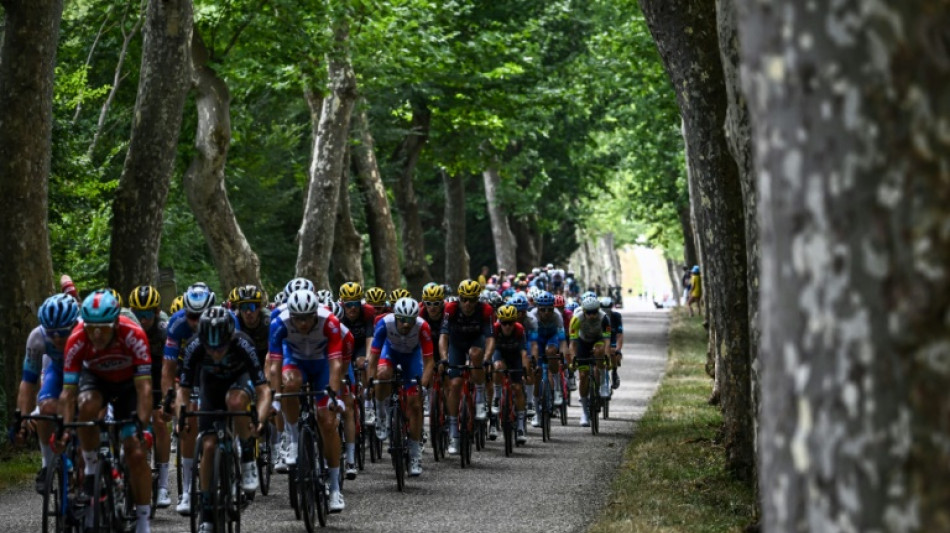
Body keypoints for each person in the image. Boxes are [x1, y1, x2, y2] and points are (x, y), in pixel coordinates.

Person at [58, 290, 154, 533]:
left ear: (115, 324)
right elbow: (68, 394)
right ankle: (91, 468)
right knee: (87, 405)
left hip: (128, 385)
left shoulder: (134, 334)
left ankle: (143, 522)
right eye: (91, 327)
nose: (97, 334)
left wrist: (142, 426)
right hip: (96, 380)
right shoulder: (77, 338)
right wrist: (66, 429)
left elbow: (144, 389)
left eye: (103, 327)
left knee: (136, 453)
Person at [177, 307, 270, 533]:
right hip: (211, 385)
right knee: (208, 445)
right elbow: (184, 389)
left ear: (230, 338)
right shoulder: (194, 347)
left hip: (239, 380)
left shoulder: (243, 344)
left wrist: (259, 417)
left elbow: (264, 390)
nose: (216, 352)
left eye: (221, 347)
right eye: (210, 347)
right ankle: (207, 513)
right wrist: (181, 416)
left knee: (236, 402)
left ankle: (247, 457)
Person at [268, 289, 346, 512]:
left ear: (315, 313)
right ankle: (293, 439)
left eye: (307, 317)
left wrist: (333, 394)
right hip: (296, 361)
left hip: (322, 365)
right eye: (297, 318)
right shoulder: (279, 323)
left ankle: (334, 488)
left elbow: (336, 364)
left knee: (327, 422)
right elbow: (274, 365)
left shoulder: (329, 322)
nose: (302, 323)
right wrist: (275, 398)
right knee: (290, 385)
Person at [13, 294, 79, 494]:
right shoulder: (37, 337)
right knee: (46, 408)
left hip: (85, 370)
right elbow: (28, 382)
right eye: (52, 333)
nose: (57, 337)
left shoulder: (85, 331)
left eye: (63, 332)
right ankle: (47, 465)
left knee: (87, 407)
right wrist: (22, 419)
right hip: (58, 370)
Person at [371, 297, 435, 476]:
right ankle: (381, 414)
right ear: (395, 317)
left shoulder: (423, 326)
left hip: (412, 358)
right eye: (402, 320)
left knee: (415, 404)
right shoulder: (384, 324)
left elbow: (429, 361)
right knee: (382, 374)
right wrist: (370, 380)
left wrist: (422, 386)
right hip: (390, 353)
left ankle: (415, 454)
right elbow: (374, 357)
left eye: (410, 320)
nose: (406, 324)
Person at [128, 285, 173, 509]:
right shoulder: (127, 326)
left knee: (159, 421)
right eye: (138, 314)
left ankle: (163, 485)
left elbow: (168, 366)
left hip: (157, 370)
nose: (142, 319)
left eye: (147, 315)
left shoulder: (165, 329)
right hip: (135, 372)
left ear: (156, 313)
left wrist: (167, 398)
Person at [440, 279, 495, 454]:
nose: (468, 303)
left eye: (472, 300)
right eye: (464, 299)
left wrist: (487, 358)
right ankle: (454, 435)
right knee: (455, 384)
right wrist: (443, 358)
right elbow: (443, 337)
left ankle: (480, 398)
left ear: (477, 299)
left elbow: (491, 338)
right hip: (456, 344)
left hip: (476, 342)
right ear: (459, 298)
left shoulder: (485, 310)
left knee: (476, 355)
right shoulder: (451, 309)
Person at [568, 294, 611, 427]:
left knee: (599, 352)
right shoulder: (576, 319)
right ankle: (585, 412)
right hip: (582, 343)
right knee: (583, 375)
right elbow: (573, 343)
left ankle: (603, 383)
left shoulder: (604, 318)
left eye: (594, 312)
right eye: (589, 313)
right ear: (584, 311)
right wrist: (573, 358)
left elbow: (607, 341)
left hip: (598, 340)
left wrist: (607, 357)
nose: (592, 316)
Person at [489, 304, 528, 444]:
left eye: (510, 323)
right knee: (498, 366)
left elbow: (524, 354)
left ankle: (520, 426)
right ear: (500, 322)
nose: (507, 326)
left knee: (517, 388)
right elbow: (489, 348)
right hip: (499, 354)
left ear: (514, 322)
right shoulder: (494, 328)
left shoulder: (519, 330)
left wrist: (526, 371)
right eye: (504, 323)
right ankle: (497, 397)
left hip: (515, 356)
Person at [600, 296, 624, 392]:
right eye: (604, 309)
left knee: (614, 354)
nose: (606, 311)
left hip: (612, 339)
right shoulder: (598, 316)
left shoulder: (616, 317)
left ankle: (614, 372)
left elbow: (619, 335)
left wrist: (618, 349)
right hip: (601, 339)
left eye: (608, 309)